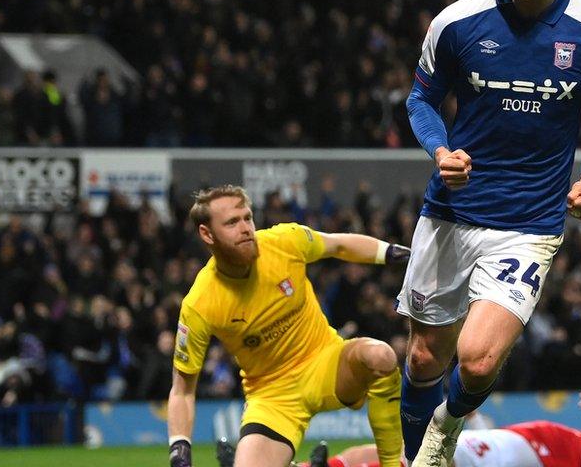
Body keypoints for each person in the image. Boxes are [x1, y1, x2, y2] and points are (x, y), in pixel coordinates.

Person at [398, 0, 581, 465]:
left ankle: (439, 442)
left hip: (529, 221)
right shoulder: (456, 22)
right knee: (426, 360)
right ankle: (412, 459)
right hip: (451, 212)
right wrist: (439, 150)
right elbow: (420, 100)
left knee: (476, 360)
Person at [168, 185, 410, 467]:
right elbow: (182, 389)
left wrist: (391, 252)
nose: (245, 228)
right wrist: (180, 446)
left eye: (247, 218)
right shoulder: (199, 303)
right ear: (207, 234)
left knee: (380, 356)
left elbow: (338, 244)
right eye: (232, 223)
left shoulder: (284, 241)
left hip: (326, 363)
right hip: (273, 396)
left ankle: (395, 464)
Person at [299, 390, 581, 467]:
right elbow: (507, 436)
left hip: (485, 460)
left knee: (408, 460)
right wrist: (476, 419)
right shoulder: (575, 441)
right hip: (483, 444)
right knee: (393, 451)